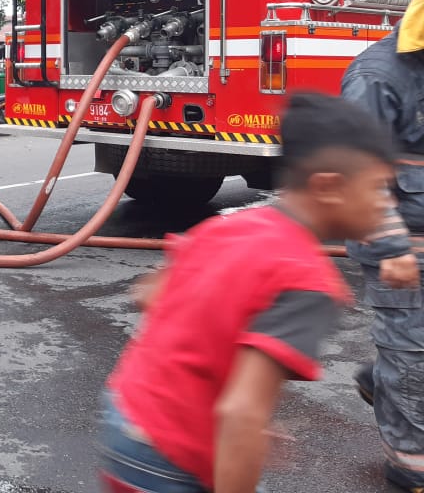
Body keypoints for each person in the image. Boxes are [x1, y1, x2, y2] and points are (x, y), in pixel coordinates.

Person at [99, 92, 399, 493]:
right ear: (329, 187)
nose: (387, 204)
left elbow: (149, 293)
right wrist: (245, 427)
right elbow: (241, 413)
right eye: (379, 188)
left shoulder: (232, 226)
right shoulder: (306, 280)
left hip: (126, 414)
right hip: (171, 453)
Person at [341, 0, 424, 492]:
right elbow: (356, 174)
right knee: (413, 351)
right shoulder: (377, 77)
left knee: (409, 350)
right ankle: (410, 461)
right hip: (401, 244)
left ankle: (383, 375)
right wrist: (392, 247)